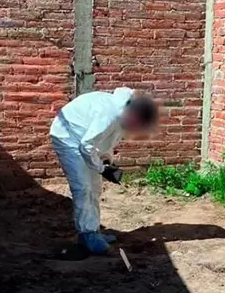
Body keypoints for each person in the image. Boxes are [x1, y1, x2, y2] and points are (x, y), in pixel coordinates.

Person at [50, 88, 158, 254]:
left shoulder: (124, 116)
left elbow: (106, 142)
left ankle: (94, 230)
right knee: (83, 187)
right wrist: (101, 168)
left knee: (95, 187)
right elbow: (86, 145)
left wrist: (107, 162)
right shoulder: (110, 115)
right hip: (69, 137)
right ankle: (87, 235)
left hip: (85, 140)